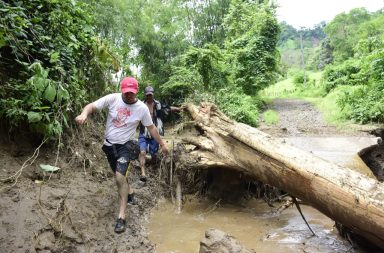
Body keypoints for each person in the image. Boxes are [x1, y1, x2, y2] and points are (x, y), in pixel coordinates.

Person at [75, 77, 168, 234]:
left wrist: (163, 144)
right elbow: (91, 106)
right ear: (121, 90)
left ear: (137, 91)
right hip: (109, 146)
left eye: (132, 93)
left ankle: (121, 216)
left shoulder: (141, 108)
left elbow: (151, 128)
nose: (129, 95)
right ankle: (130, 192)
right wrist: (84, 114)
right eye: (126, 92)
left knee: (119, 177)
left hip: (126, 146)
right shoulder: (113, 99)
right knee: (120, 175)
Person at [138, 86, 180, 182]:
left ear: (153, 95)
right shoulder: (140, 105)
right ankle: (143, 173)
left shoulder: (158, 104)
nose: (149, 97)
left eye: (150, 95)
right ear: (145, 95)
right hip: (143, 132)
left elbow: (168, 108)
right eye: (147, 95)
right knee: (142, 152)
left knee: (153, 154)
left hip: (155, 132)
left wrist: (179, 108)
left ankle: (152, 165)